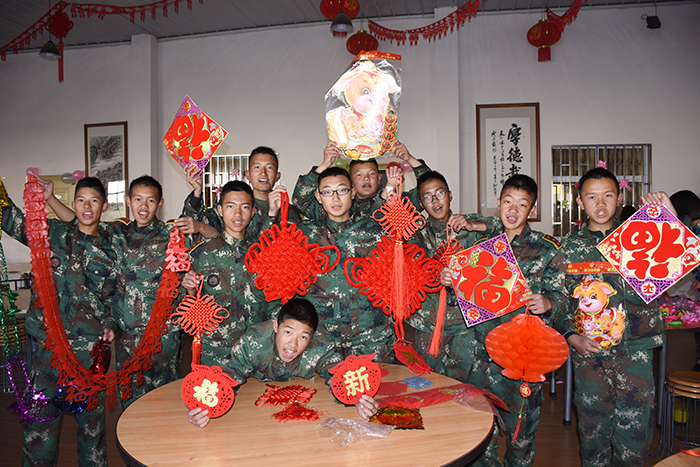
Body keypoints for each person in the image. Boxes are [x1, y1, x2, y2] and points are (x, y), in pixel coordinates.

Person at [46, 175, 217, 408]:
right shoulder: (117, 233)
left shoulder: (169, 234)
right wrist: (50, 199)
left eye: (150, 200)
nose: (143, 206)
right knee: (130, 401)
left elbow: (194, 225)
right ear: (128, 201)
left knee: (166, 398)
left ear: (160, 203)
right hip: (127, 335)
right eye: (137, 199)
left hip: (163, 335)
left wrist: (196, 193)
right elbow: (82, 223)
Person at [2, 176, 116, 467]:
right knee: (39, 426)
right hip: (47, 350)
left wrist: (110, 324)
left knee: (92, 429)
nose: (87, 207)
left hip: (88, 353)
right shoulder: (52, 233)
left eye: (94, 200)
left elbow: (115, 297)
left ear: (104, 206)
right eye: (81, 200)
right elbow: (12, 220)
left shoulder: (112, 248)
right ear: (73, 204)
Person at [553, 167, 664, 467]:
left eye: (608, 196)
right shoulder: (568, 249)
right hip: (591, 358)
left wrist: (669, 216)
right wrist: (571, 336)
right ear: (579, 202)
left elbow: (678, 259)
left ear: (619, 198)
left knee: (634, 440)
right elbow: (557, 301)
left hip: (635, 354)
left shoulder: (640, 239)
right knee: (593, 438)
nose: (600, 204)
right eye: (591, 197)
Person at [464, 175, 568, 467]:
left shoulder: (546, 248)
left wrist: (549, 303)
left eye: (522, 204)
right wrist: (451, 280)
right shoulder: (479, 244)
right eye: (508, 201)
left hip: (522, 360)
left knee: (520, 438)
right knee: (480, 438)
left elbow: (563, 297)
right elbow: (467, 291)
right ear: (498, 203)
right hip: (481, 357)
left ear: (531, 210)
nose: (513, 209)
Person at [187, 298, 378, 427]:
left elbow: (338, 375)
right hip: (258, 414)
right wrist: (204, 409)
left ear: (312, 337)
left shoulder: (321, 345)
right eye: (288, 332)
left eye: (303, 337)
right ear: (276, 325)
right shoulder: (253, 342)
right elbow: (229, 375)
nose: (293, 344)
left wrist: (357, 401)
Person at [268, 167, 391, 360]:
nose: (335, 198)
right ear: (318, 197)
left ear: (352, 192)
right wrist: (272, 215)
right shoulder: (303, 234)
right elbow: (272, 269)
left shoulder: (376, 230)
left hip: (370, 336)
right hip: (321, 337)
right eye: (327, 192)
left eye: (342, 190)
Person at [405, 170, 494, 376]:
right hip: (427, 325)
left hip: (464, 326)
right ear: (421, 203)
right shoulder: (416, 233)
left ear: (450, 195)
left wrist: (474, 225)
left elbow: (502, 227)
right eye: (427, 197)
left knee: (464, 386)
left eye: (440, 193)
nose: (435, 201)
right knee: (429, 384)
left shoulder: (468, 225)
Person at [183, 180, 270, 369]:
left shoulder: (264, 253)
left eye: (244, 207)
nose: (237, 214)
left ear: (253, 212)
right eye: (230, 206)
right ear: (220, 210)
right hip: (214, 353)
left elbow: (274, 303)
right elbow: (188, 307)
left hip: (255, 350)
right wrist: (190, 289)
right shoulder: (201, 254)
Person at [292, 141, 430, 219]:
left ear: (379, 178)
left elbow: (429, 191)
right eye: (359, 175)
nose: (366, 178)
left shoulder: (395, 201)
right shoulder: (337, 205)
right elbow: (300, 201)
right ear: (350, 182)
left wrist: (409, 158)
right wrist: (324, 165)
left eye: (371, 174)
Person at [181, 146, 301, 236]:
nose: (263, 173)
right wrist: (197, 192)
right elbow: (192, 228)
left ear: (277, 176)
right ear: (247, 175)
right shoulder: (232, 206)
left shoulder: (289, 212)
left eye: (269, 167)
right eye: (257, 167)